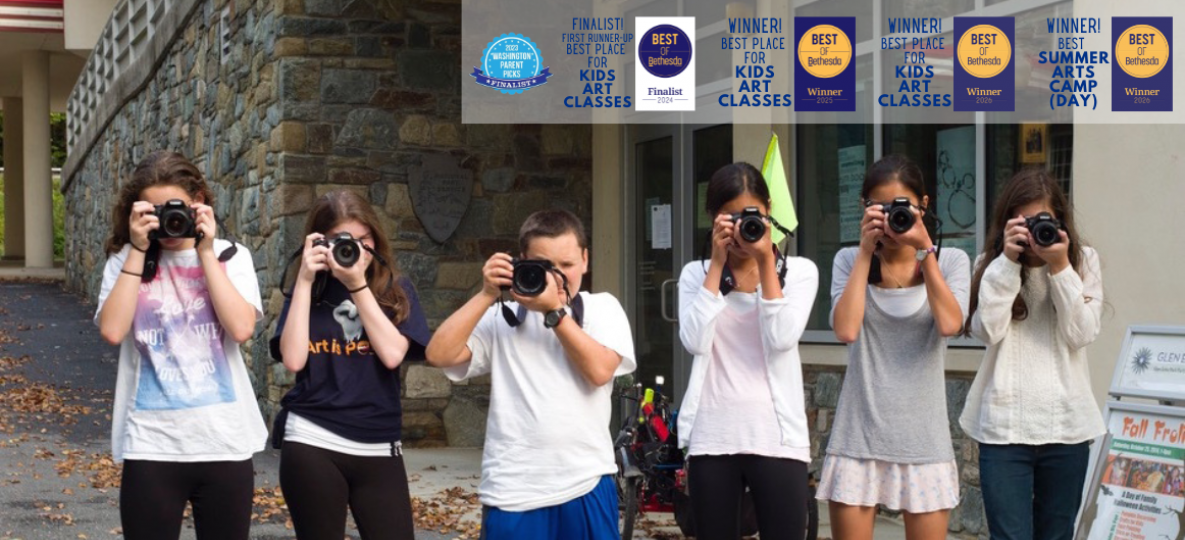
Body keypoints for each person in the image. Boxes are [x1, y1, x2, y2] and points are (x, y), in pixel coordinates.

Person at [425, 209, 636, 540]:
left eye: (567, 265)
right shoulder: (503, 317)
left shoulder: (602, 308)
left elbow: (599, 371)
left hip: (586, 482)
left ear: (585, 259)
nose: (557, 278)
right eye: (545, 266)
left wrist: (554, 312)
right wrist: (486, 294)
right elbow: (439, 354)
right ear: (522, 263)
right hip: (512, 491)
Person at [95, 150, 266, 540]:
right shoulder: (126, 260)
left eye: (175, 208)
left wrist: (205, 251)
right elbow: (113, 331)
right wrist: (138, 249)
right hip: (151, 444)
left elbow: (241, 329)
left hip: (223, 441)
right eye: (154, 212)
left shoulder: (230, 256)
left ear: (198, 202)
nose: (167, 221)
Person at [818, 155, 970, 540]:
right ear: (864, 208)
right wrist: (865, 251)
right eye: (880, 208)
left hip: (924, 442)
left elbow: (950, 324)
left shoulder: (950, 260)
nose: (891, 218)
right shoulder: (849, 259)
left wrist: (925, 251)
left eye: (901, 208)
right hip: (858, 438)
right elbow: (846, 329)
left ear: (924, 205)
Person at [270, 190, 430, 540]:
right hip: (312, 436)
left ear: (376, 238)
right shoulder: (308, 290)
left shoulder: (396, 289)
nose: (354, 248)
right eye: (342, 240)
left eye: (363, 238)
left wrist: (357, 286)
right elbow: (294, 359)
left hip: (379, 441)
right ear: (319, 243)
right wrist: (304, 281)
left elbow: (392, 355)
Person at [960, 168, 1104, 540]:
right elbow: (988, 331)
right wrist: (1007, 263)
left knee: (1057, 535)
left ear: (1060, 221)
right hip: (1005, 428)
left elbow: (1081, 334)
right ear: (1008, 223)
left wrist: (1060, 267)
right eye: (1024, 222)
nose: (1036, 230)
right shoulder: (990, 265)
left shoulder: (1082, 261)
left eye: (1044, 220)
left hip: (1067, 428)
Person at [675, 162, 817, 540]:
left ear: (768, 211)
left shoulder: (799, 272)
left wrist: (766, 259)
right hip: (713, 435)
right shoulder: (696, 274)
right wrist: (716, 265)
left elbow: (782, 337)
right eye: (731, 218)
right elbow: (694, 342)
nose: (742, 228)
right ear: (713, 218)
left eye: (750, 215)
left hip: (777, 437)